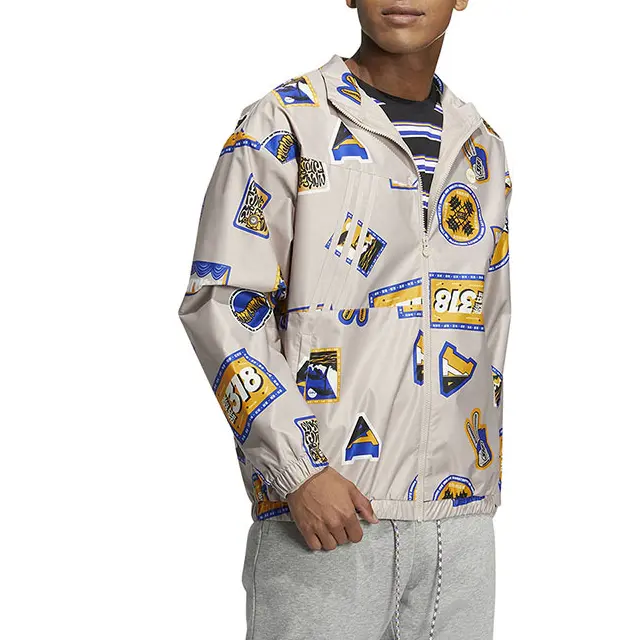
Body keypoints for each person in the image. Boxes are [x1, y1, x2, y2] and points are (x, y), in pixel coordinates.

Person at [178, 0, 512, 638]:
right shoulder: (286, 121)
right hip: (328, 517)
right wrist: (298, 470)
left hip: (460, 531)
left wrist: (479, 490)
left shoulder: (483, 146)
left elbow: (488, 323)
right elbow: (223, 304)